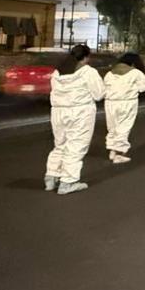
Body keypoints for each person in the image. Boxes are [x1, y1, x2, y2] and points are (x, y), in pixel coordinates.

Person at [44, 44, 104, 195]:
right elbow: (99, 94)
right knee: (76, 146)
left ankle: (51, 176)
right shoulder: (88, 72)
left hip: (58, 112)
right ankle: (68, 182)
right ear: (85, 57)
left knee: (60, 144)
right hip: (80, 112)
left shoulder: (58, 73)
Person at [103, 52, 145, 164]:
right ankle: (119, 153)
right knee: (124, 127)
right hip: (128, 102)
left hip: (110, 102)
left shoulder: (110, 73)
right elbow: (143, 87)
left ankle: (112, 150)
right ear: (133, 62)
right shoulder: (135, 73)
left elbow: (104, 87)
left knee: (112, 127)